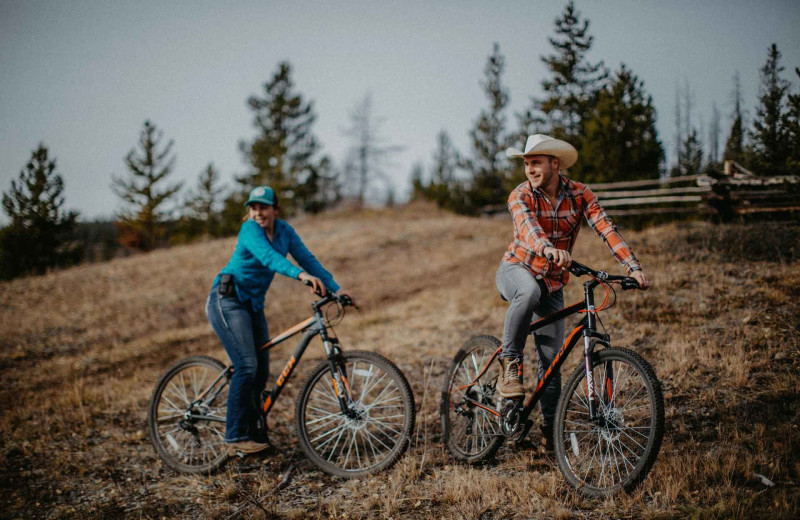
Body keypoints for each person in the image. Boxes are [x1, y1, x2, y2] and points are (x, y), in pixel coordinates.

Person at [495, 134, 649, 451]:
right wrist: (547, 248)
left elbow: (605, 227)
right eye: (526, 164)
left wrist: (632, 266)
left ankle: (551, 435)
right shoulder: (520, 195)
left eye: (535, 163)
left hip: (552, 283)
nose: (530, 170)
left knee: (552, 364)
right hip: (516, 269)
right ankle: (510, 363)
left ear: (555, 163)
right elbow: (527, 228)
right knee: (528, 292)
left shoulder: (580, 195)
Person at [206, 186, 355, 455]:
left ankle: (253, 431)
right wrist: (301, 276)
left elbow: (307, 259)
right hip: (227, 300)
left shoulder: (285, 231)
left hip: (251, 306)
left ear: (276, 209)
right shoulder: (250, 230)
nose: (258, 212)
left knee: (261, 373)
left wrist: (336, 288)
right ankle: (235, 438)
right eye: (254, 207)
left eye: (264, 207)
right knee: (247, 365)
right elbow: (269, 258)